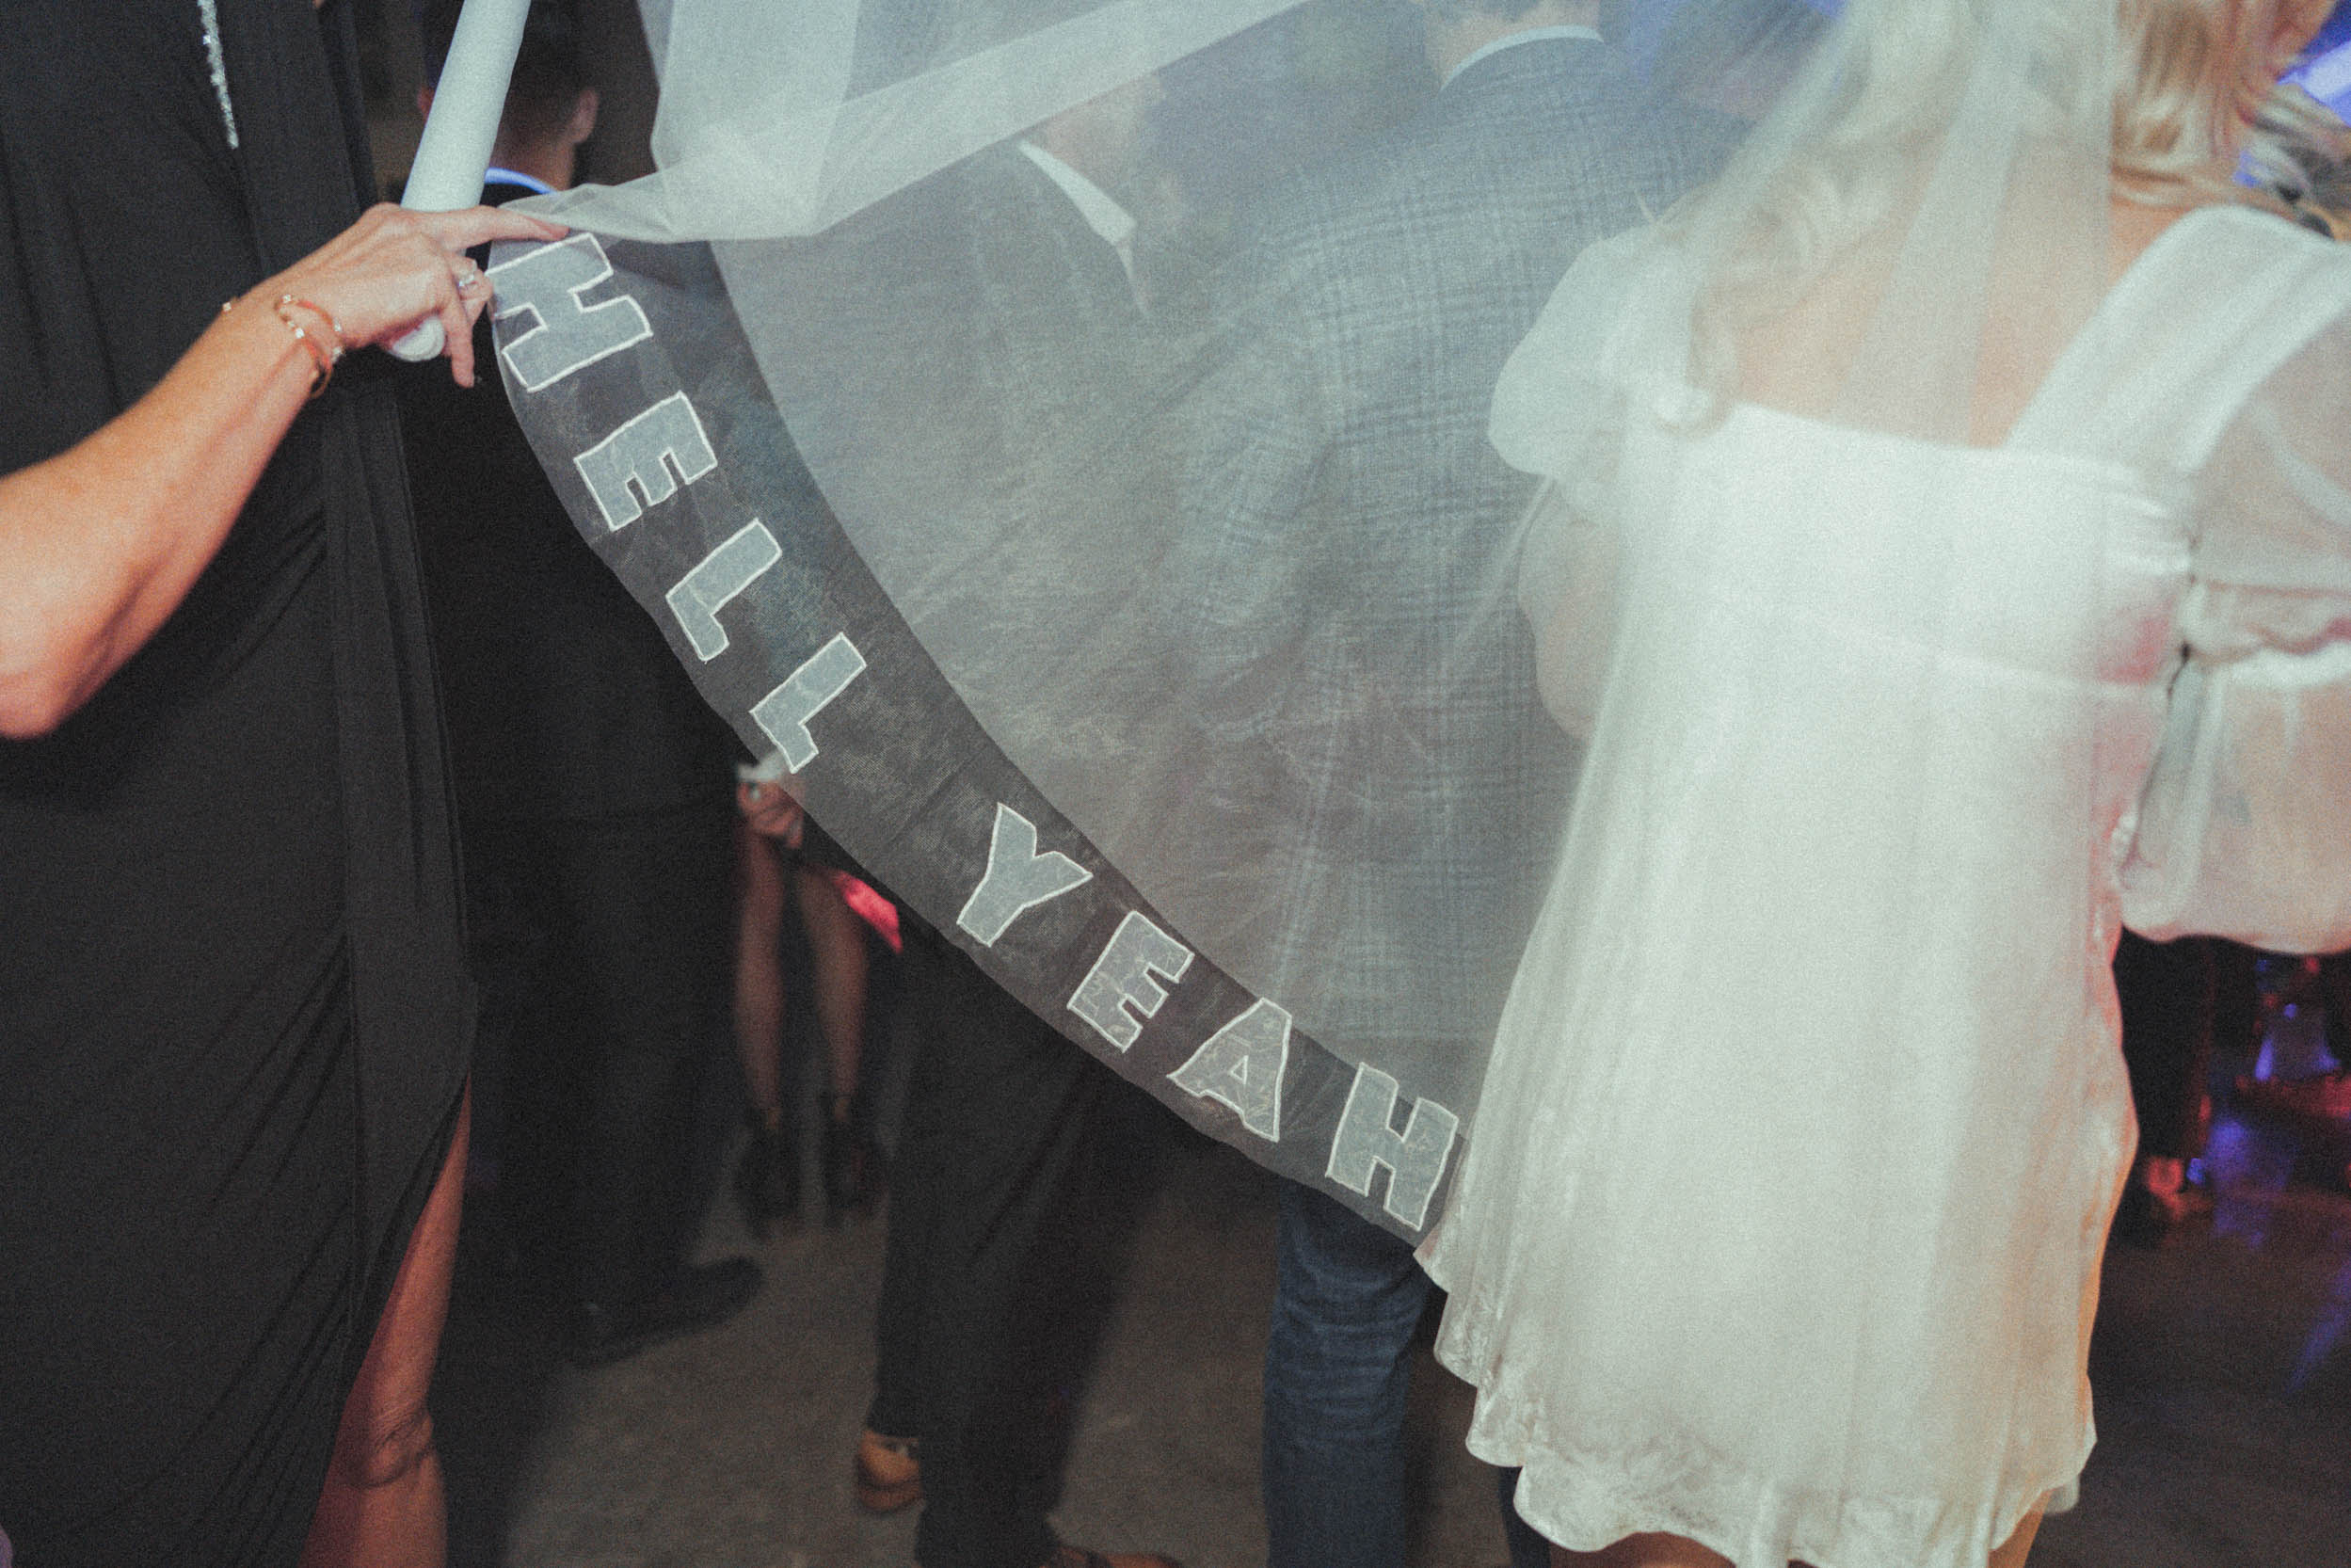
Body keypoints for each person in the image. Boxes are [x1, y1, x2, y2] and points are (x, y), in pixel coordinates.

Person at [1419, 0, 2351, 1564]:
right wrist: (2055, 802)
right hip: (1934, 1130)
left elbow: (1579, 676)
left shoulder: (1717, 256)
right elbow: (2297, 869)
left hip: (1649, 1095)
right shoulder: (2247, 319)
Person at [1168, 4, 1735, 1565]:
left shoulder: (1313, 220)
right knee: (1587, 1344)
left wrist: (1305, 722)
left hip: (1389, 886)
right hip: (1654, 894)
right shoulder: (1741, 190)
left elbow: (1217, 598)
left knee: (1350, 1311)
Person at [0, 2, 560, 1563]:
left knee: (378, 1440)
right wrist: (305, 315)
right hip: (83, 882)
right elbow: (20, 641)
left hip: (347, 769)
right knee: (149, 1504)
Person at [401, 0, 760, 1369]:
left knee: (533, 1008)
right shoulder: (602, 265)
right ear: (591, 112)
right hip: (623, 739)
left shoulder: (397, 257)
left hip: (476, 735)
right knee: (650, 1027)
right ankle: (614, 1289)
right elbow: (677, 513)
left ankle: (529, 1249)